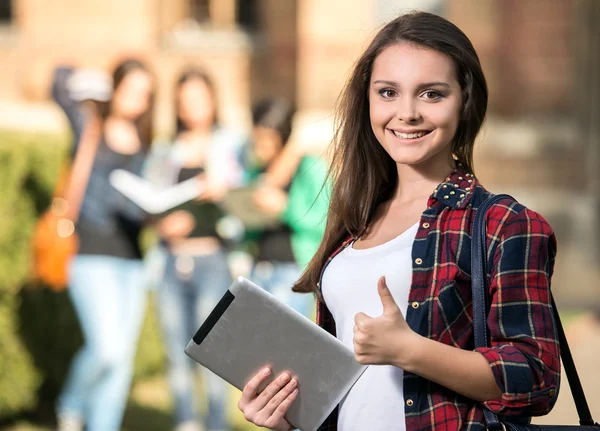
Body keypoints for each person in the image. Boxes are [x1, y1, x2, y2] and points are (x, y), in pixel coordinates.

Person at [236, 11, 560, 431]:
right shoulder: (353, 223)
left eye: (431, 94)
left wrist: (409, 350)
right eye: (388, 92)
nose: (406, 113)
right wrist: (287, 418)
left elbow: (536, 377)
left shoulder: (503, 224)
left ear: (465, 100)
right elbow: (351, 394)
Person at [52, 59, 155, 431]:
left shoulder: (146, 143)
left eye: (146, 95)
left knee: (122, 360)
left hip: (132, 259)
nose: (139, 101)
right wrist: (86, 76)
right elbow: (57, 82)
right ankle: (71, 402)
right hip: (91, 254)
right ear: (115, 88)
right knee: (107, 348)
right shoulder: (89, 126)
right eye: (132, 90)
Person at [147, 66, 245, 431]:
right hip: (170, 262)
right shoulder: (165, 150)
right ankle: (185, 422)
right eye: (184, 100)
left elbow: (246, 199)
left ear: (213, 101)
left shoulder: (231, 145)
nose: (191, 107)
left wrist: (224, 190)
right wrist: (163, 224)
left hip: (213, 261)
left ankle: (216, 424)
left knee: (211, 354)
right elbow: (151, 203)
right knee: (177, 354)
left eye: (199, 98)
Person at [243, 98, 330, 319]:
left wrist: (285, 207)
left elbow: (326, 221)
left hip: (293, 270)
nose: (260, 146)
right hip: (260, 267)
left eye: (266, 139)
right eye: (257, 138)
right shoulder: (258, 170)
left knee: (282, 345)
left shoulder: (308, 166)